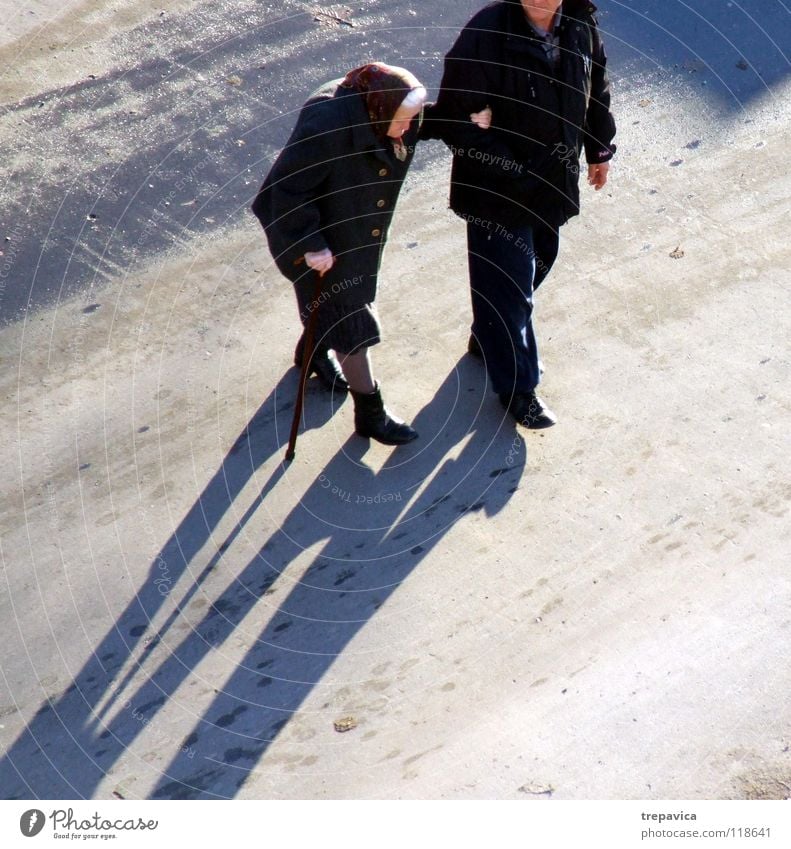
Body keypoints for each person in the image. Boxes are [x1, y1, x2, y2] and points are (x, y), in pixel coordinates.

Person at [426, 0, 617, 428]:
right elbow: (456, 119)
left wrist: (598, 148)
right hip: (497, 189)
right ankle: (519, 388)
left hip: (552, 180)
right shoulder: (486, 34)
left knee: (541, 260)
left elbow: (596, 85)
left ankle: (488, 335)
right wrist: (511, 168)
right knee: (510, 289)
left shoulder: (580, 23)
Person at [252, 63, 429, 445]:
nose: (406, 131)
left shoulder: (389, 106)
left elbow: (429, 119)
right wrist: (310, 243)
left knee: (330, 312)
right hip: (317, 240)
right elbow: (285, 192)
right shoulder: (328, 126)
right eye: (401, 122)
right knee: (353, 325)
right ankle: (371, 412)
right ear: (379, 108)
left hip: (349, 230)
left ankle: (312, 352)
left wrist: (475, 117)